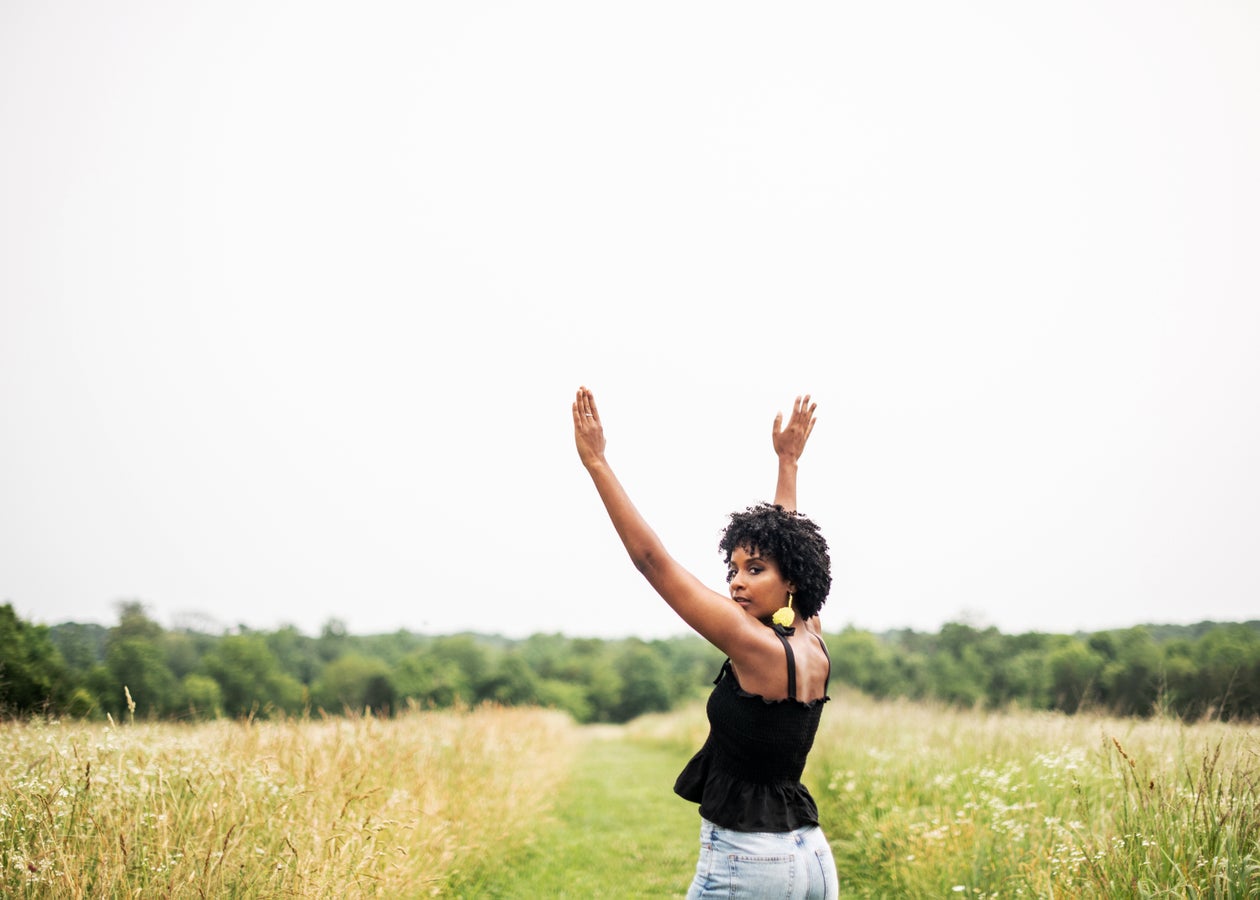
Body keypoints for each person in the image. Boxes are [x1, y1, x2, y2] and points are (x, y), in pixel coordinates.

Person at [572, 386, 839, 900]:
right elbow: (787, 549)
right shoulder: (809, 636)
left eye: (753, 570)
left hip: (750, 859)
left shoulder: (753, 643)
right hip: (809, 857)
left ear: (789, 581)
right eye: (733, 569)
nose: (736, 581)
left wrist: (597, 463)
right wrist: (788, 462)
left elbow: (652, 561)